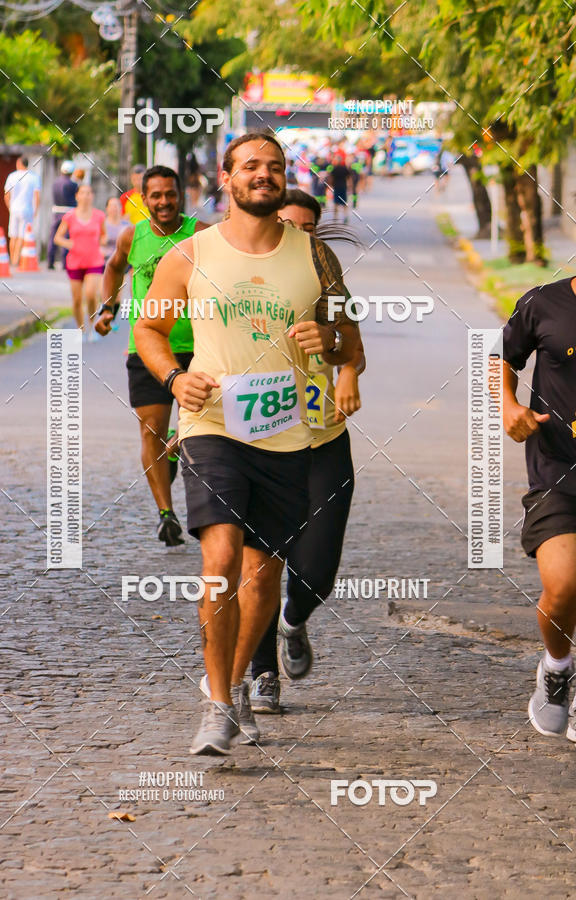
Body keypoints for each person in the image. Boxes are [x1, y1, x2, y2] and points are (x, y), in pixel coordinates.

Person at [135, 132, 360, 755]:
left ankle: (234, 689)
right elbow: (149, 326)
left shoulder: (315, 258)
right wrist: (175, 378)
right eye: (251, 166)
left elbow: (350, 341)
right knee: (220, 558)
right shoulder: (189, 254)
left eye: (275, 167)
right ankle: (213, 703)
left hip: (287, 434)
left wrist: (332, 346)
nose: (264, 175)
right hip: (212, 425)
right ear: (227, 180)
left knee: (262, 576)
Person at [249, 188, 365, 714]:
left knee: (315, 570)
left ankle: (294, 622)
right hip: (254, 439)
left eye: (307, 229)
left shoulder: (326, 275)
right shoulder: (236, 278)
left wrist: (343, 367)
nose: (298, 236)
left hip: (321, 438)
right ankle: (262, 675)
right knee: (259, 566)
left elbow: (352, 346)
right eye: (288, 225)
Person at [96, 165, 208, 547]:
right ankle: (166, 513)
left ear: (182, 196)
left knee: (200, 427)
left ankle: (177, 448)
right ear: (144, 200)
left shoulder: (201, 234)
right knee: (150, 430)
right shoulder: (133, 236)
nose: (164, 202)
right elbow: (112, 269)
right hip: (147, 348)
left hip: (199, 347)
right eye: (156, 196)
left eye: (170, 195)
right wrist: (108, 309)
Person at [503, 277, 576, 738]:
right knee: (564, 585)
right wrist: (508, 405)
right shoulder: (543, 302)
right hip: (557, 471)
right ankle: (557, 664)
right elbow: (502, 357)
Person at [54, 183, 105, 340]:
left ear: (92, 196)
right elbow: (57, 237)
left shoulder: (99, 216)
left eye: (89, 193)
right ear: (77, 196)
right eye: (82, 193)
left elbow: (104, 235)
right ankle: (80, 329)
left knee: (91, 294)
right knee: (76, 300)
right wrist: (69, 244)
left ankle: (93, 326)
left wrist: (102, 242)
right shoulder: (69, 216)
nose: (86, 196)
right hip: (75, 261)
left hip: (94, 260)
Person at [4, 156, 41, 266]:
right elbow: (37, 196)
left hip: (14, 208)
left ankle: (12, 258)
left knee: (13, 235)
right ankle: (16, 259)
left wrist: (10, 207)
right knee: (22, 235)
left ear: (19, 163)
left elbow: (6, 194)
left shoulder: (12, 176)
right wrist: (36, 210)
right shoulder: (34, 177)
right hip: (27, 209)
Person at [48, 161, 77, 270]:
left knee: (53, 237)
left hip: (56, 212)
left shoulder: (55, 183)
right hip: (69, 212)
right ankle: (65, 263)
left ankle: (50, 262)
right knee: (66, 237)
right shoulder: (73, 185)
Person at [328, 154, 351, 223]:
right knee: (344, 203)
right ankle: (345, 216)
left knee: (336, 203)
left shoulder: (334, 169)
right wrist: (350, 186)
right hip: (343, 187)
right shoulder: (345, 168)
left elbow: (331, 178)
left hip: (336, 187)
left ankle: (335, 218)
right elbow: (349, 178)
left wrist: (330, 186)